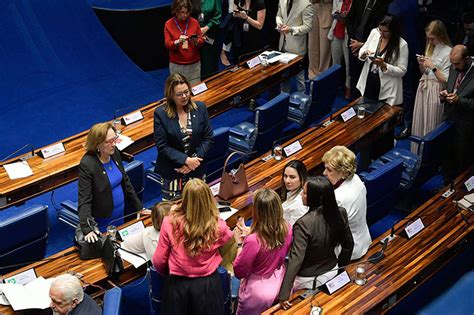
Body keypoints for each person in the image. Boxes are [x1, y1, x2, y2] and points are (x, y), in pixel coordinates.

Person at [152, 179, 233, 315]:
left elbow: (159, 260)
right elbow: (228, 237)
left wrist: (169, 274)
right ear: (208, 198)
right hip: (208, 285)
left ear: (185, 199)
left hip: (177, 286)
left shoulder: (169, 222)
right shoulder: (217, 225)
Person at [278, 176, 354, 309]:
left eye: (305, 192)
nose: (301, 194)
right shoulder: (340, 212)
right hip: (332, 269)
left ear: (314, 198)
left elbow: (296, 260)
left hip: (307, 279)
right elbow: (348, 245)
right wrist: (341, 268)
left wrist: (284, 294)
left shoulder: (303, 224)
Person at [78, 122, 143, 243]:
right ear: (97, 144)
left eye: (115, 139)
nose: (114, 144)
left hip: (121, 215)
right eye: (109, 141)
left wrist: (139, 207)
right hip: (103, 221)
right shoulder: (87, 164)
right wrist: (87, 229)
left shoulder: (114, 153)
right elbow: (84, 199)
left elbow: (126, 182)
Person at [153, 73, 214, 200]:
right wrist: (186, 160)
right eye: (179, 94)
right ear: (170, 96)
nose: (184, 96)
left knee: (198, 209)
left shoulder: (200, 108)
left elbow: (208, 138)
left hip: (197, 170)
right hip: (173, 172)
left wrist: (194, 161)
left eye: (186, 92)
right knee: (174, 214)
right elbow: (162, 146)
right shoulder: (161, 114)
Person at [232, 189, 292, 315]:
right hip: (279, 281)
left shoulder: (253, 241)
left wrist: (239, 244)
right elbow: (269, 236)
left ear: (257, 211)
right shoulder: (287, 227)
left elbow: (239, 271)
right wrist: (251, 232)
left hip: (257, 293)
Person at [322, 146, 371, 260]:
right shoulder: (356, 179)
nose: (324, 173)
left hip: (349, 251)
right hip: (363, 239)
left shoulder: (339, 198)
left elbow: (327, 230)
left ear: (343, 173)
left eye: (329, 170)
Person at [411, 20, 452, 152]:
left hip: (436, 90)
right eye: (428, 38)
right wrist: (422, 64)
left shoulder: (449, 52)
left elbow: (446, 79)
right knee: (420, 121)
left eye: (432, 38)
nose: (429, 41)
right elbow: (424, 72)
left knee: (431, 123)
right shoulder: (430, 47)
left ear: (440, 35)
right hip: (424, 87)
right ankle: (417, 153)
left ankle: (429, 156)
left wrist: (432, 66)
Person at [357, 14, 409, 106]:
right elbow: (361, 51)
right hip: (369, 82)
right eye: (380, 30)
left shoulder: (402, 44)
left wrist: (384, 65)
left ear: (393, 31)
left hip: (387, 90)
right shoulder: (374, 32)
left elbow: (402, 71)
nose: (381, 33)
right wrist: (365, 54)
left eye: (385, 31)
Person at [440, 45, 474, 182]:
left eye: (457, 63)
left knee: (462, 160)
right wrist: (444, 95)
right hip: (449, 119)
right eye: (452, 63)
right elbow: (451, 87)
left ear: (467, 59)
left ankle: (459, 190)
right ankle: (447, 186)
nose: (454, 67)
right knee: (446, 156)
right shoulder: (455, 66)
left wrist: (460, 100)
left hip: (466, 126)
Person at [345, 0, 391, 98]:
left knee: (365, 82)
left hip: (369, 50)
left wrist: (362, 44)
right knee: (353, 78)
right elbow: (350, 19)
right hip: (353, 44)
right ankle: (352, 105)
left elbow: (380, 31)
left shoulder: (384, 4)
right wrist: (353, 41)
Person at [165, 0, 205, 85]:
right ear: (175, 11)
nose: (185, 15)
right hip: (177, 65)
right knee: (178, 91)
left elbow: (201, 41)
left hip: (194, 65)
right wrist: (177, 42)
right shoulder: (168, 24)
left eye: (187, 12)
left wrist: (196, 41)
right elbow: (168, 44)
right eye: (182, 12)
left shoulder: (194, 22)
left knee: (195, 90)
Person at [276, 0, 313, 93]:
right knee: (283, 76)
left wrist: (291, 29)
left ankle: (302, 102)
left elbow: (308, 26)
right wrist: (279, 23)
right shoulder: (282, 1)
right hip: (283, 44)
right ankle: (283, 99)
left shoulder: (306, 4)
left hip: (297, 47)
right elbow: (279, 15)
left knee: (299, 78)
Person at [328, 0, 353, 99]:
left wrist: (347, 16)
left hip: (348, 33)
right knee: (335, 63)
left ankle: (348, 88)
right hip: (336, 31)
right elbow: (333, 11)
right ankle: (333, 86)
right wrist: (338, 14)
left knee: (348, 65)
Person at [191, 0, 222, 79]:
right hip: (194, 33)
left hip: (210, 32)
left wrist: (206, 28)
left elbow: (218, 16)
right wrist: (196, 30)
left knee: (209, 62)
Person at [308, 0, 333, 79]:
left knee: (324, 48)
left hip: (326, 9)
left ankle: (323, 76)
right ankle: (312, 74)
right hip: (312, 9)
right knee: (312, 46)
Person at [280, 160, 309, 226]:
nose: (287, 181)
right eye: (285, 176)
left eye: (292, 177)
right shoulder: (293, 192)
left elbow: (294, 232)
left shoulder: (299, 205)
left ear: (302, 178)